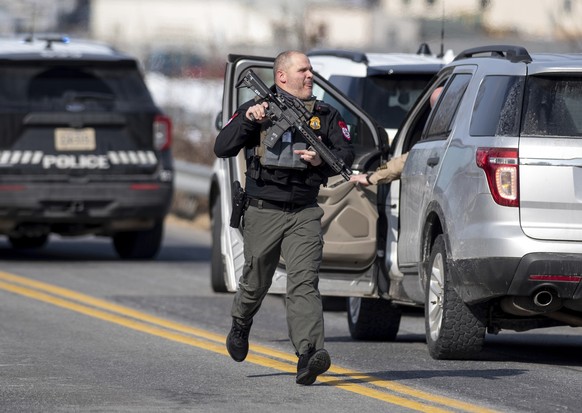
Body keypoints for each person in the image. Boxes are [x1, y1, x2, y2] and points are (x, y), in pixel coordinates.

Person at [214, 50, 354, 385]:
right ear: (281, 77)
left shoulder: (324, 114)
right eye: (303, 70)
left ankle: (309, 355)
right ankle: (241, 322)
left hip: (304, 212)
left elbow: (346, 153)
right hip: (263, 210)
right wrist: (250, 118)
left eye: (311, 70)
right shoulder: (257, 110)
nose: (310, 75)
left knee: (303, 283)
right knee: (256, 281)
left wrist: (321, 160)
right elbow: (222, 146)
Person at [349, 86, 443, 187]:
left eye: (434, 110)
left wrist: (372, 178)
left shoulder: (444, 137)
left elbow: (410, 159)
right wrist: (372, 177)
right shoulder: (457, 130)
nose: (434, 117)